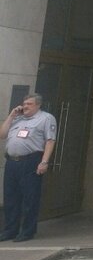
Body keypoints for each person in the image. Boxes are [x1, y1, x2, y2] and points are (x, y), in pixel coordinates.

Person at [0, 94, 57, 242]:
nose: (25, 106)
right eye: (24, 104)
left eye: (29, 104)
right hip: (12, 162)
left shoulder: (46, 118)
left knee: (29, 198)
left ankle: (27, 231)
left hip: (31, 161)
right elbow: (2, 134)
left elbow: (50, 141)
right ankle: (10, 230)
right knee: (10, 197)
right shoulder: (17, 119)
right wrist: (11, 116)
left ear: (38, 105)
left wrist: (44, 162)